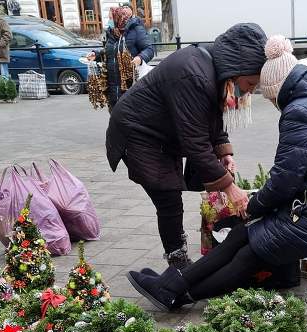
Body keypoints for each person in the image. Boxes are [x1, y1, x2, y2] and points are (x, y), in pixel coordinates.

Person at [127, 36, 307, 311]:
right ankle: (170, 286)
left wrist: (252, 206)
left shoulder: (300, 111)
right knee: (240, 235)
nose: (274, 104)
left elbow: (284, 180)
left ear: (278, 88)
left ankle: (177, 296)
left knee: (251, 252)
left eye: (269, 97)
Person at [106, 23, 267, 270]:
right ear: (238, 69)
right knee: (168, 197)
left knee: (170, 195)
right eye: (250, 83)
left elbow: (210, 117)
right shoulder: (194, 74)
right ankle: (177, 261)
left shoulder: (212, 70)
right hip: (137, 133)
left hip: (161, 134)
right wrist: (229, 187)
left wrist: (224, 152)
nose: (249, 90)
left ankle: (178, 256)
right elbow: (195, 141)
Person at [88, 5, 154, 110]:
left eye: (111, 18)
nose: (109, 21)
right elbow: (109, 53)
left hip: (131, 87)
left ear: (119, 18)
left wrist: (140, 58)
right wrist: (96, 55)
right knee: (116, 120)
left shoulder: (136, 30)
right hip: (113, 90)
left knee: (130, 120)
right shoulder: (111, 33)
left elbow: (149, 50)